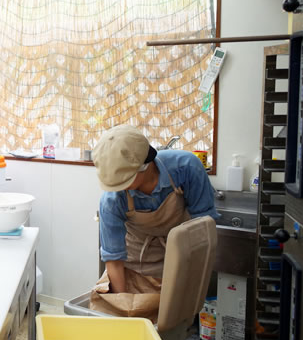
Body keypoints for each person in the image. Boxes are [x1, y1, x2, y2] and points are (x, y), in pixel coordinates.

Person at [92, 125, 218, 293]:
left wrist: (193, 275)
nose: (118, 189)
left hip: (183, 253)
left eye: (124, 181)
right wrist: (122, 301)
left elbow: (203, 227)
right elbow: (114, 260)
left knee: (176, 314)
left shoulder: (186, 168)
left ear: (145, 165)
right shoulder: (111, 200)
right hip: (135, 260)